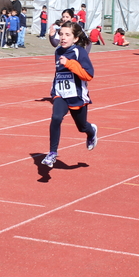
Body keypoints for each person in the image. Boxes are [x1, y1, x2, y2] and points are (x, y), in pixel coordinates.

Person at [41, 21, 97, 168]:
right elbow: (59, 72)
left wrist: (69, 64)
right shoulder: (58, 51)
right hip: (60, 93)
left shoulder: (79, 51)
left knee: (82, 126)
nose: (63, 38)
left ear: (75, 38)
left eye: (67, 35)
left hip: (77, 95)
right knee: (56, 117)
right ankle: (52, 153)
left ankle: (91, 132)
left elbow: (88, 75)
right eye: (61, 34)